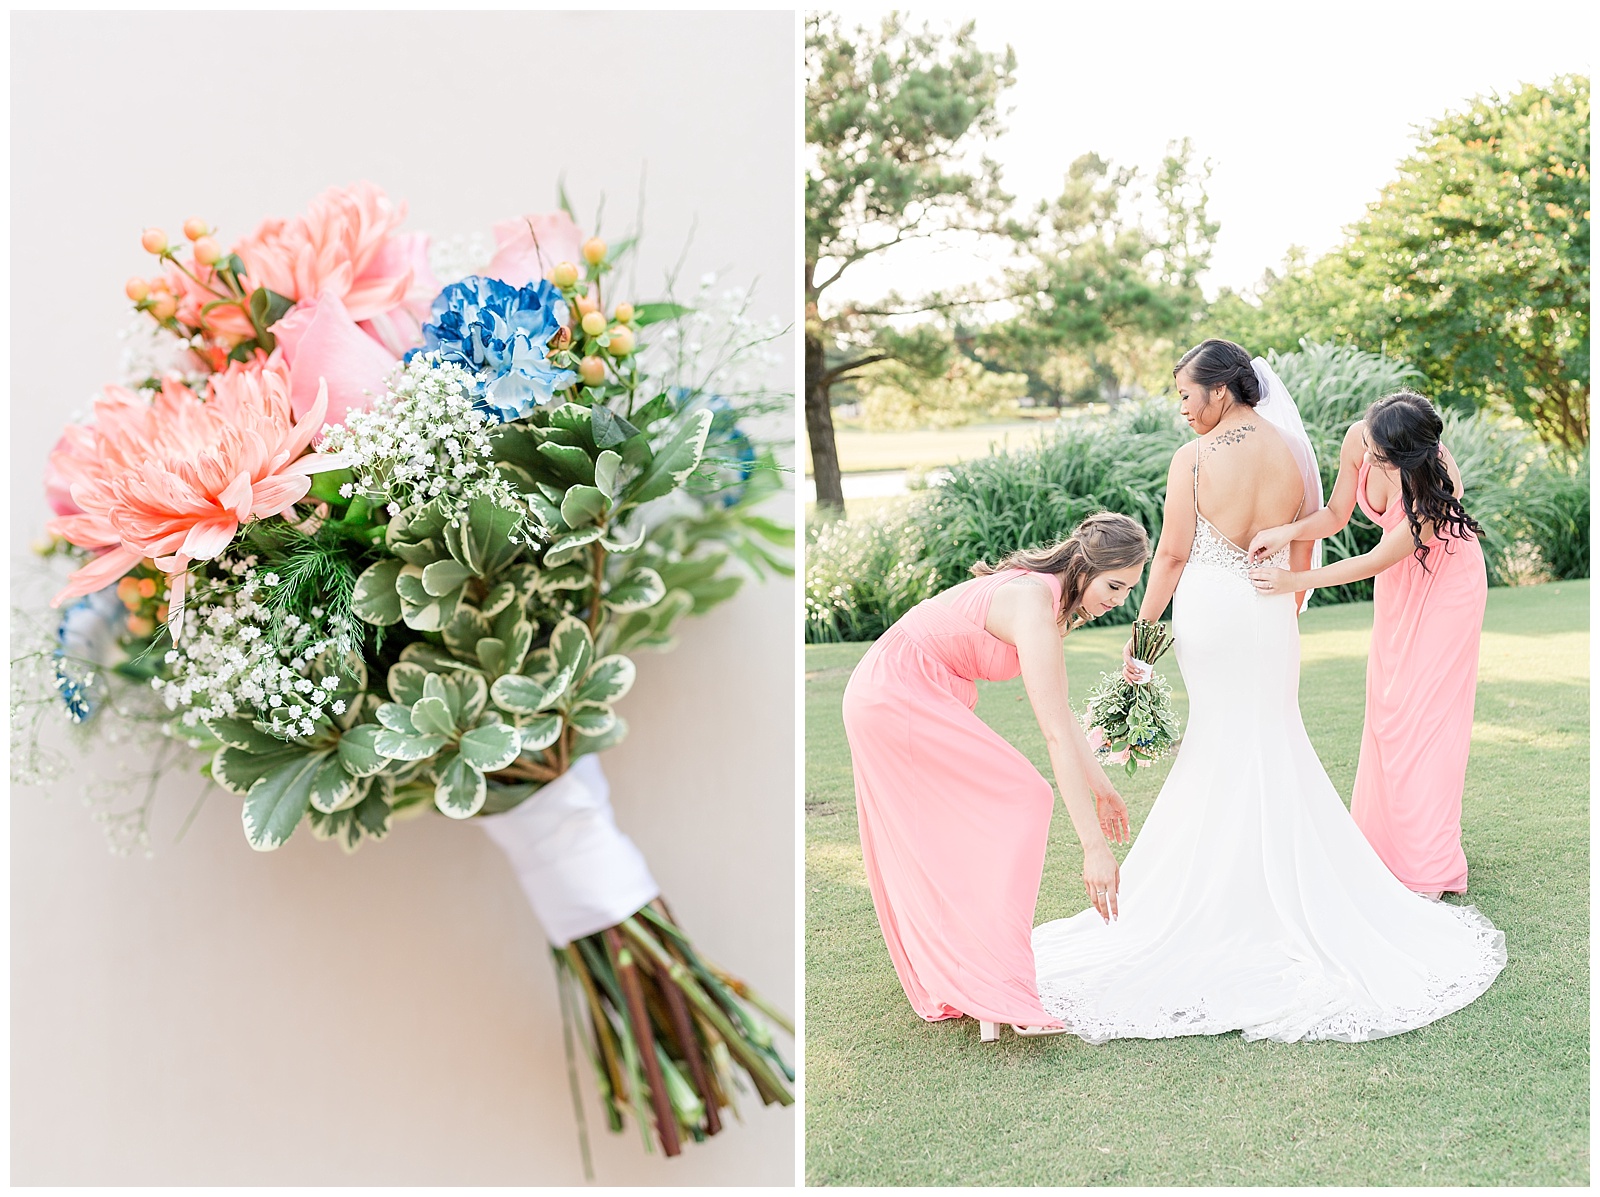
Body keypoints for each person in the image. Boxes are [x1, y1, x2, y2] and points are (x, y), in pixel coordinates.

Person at [1031, 340, 1504, 1044]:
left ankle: (1225, 892)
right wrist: (1289, 602)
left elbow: (1170, 554)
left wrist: (1144, 632)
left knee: (1220, 742)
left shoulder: (1192, 461)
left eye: (1187, 394)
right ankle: (1296, 879)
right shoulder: (1291, 449)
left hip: (1217, 614)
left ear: (1220, 392)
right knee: (1275, 737)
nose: (1182, 407)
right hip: (1271, 611)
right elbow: (1313, 532)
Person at [842, 512, 1147, 1041]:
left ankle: (984, 978)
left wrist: (1104, 788)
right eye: (1114, 585)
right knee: (1023, 795)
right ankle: (996, 984)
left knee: (998, 810)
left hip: (907, 691)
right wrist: (1093, 848)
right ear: (1084, 566)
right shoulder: (1033, 603)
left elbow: (1063, 713)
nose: (1119, 600)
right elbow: (1053, 733)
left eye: (1128, 590)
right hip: (896, 694)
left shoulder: (1050, 602)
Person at [1247, 390, 1487, 899]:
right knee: (1388, 708)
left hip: (1447, 582)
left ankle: (1428, 861)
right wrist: (1286, 532)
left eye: (1383, 456)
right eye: (1372, 449)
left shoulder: (1433, 474)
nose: (1372, 458)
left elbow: (1378, 557)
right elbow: (1335, 514)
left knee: (1427, 715)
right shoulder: (1361, 436)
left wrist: (1298, 582)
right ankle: (1383, 847)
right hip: (1400, 587)